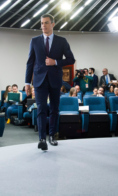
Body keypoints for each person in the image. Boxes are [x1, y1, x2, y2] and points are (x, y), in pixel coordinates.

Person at [25, 13, 75, 150]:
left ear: (53, 24)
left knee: (54, 109)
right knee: (41, 109)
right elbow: (30, 63)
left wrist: (56, 62)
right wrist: (27, 82)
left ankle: (52, 135)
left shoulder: (62, 41)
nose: (43, 26)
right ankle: (42, 139)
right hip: (39, 80)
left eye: (46, 23)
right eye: (41, 23)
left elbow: (71, 60)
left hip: (55, 79)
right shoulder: (34, 41)